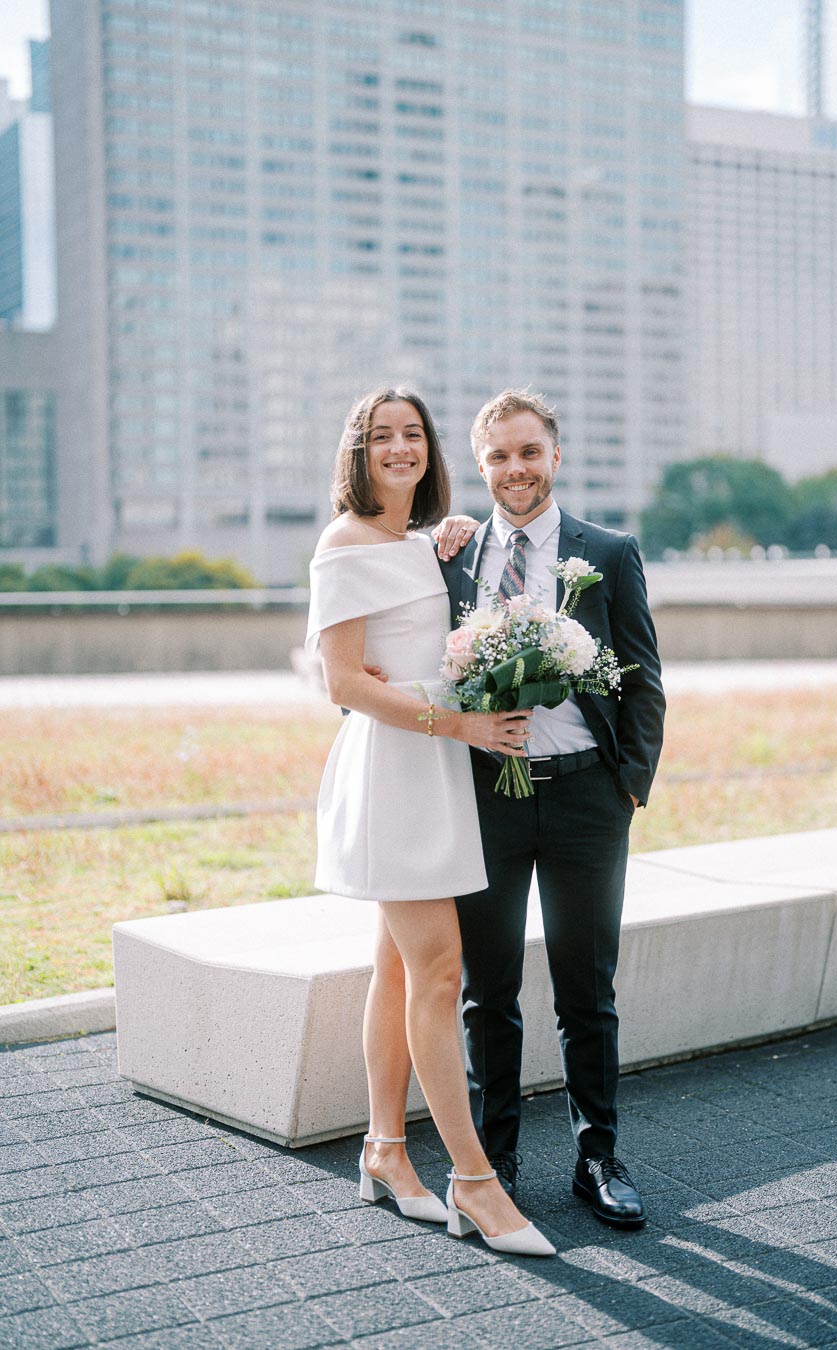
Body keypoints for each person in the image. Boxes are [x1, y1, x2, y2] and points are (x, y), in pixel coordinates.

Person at [305, 386, 555, 1257]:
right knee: (441, 971)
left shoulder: (425, 543)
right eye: (383, 436)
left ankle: (382, 1148)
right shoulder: (342, 544)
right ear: (359, 451)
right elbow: (340, 682)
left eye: (413, 434)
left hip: (437, 771)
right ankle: (475, 1181)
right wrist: (460, 725)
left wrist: (443, 547)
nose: (400, 448)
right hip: (396, 776)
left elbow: (426, 640)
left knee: (400, 970)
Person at [436, 389, 666, 1228]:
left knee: (586, 989)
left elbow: (642, 678)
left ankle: (597, 1157)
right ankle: (491, 1161)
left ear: (555, 457)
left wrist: (627, 788)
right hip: (486, 802)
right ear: (481, 465)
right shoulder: (451, 557)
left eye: (528, 452)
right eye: (498, 456)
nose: (515, 470)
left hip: (585, 803)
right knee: (485, 990)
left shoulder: (607, 551)